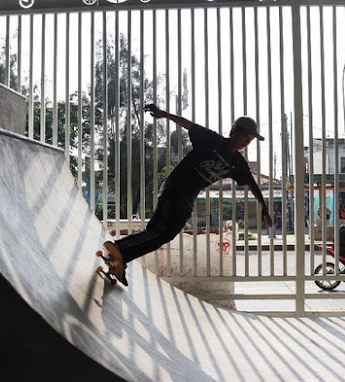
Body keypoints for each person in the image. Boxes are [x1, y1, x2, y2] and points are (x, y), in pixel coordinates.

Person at [103, 103, 273, 285]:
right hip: (174, 189)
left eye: (250, 139)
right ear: (234, 131)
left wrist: (264, 206)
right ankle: (120, 249)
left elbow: (252, 183)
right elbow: (188, 124)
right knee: (158, 230)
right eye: (245, 135)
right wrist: (164, 114)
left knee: (165, 235)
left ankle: (120, 257)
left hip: (187, 199)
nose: (247, 141)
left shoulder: (237, 163)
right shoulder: (212, 140)